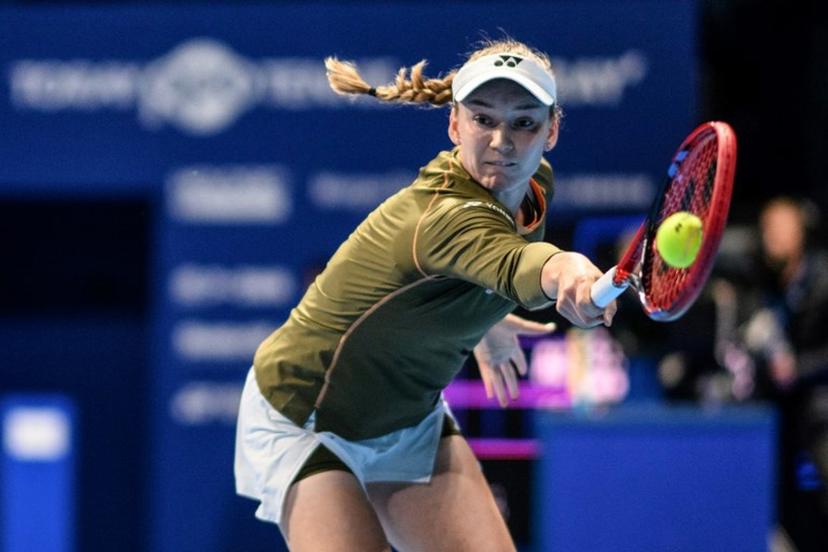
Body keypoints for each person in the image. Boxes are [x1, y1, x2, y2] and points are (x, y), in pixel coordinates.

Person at [234, 38, 616, 551]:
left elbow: (482, 269)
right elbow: (512, 263)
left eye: (524, 122)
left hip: (408, 419)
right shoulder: (441, 217)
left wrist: (485, 320)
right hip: (309, 414)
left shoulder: (534, 184)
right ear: (455, 124)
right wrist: (566, 267)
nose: (502, 140)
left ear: (551, 131)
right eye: (483, 119)